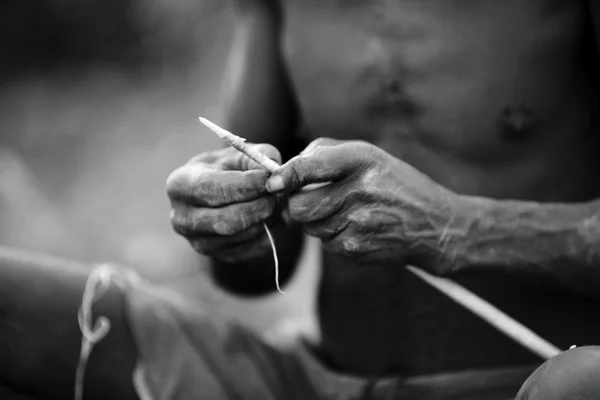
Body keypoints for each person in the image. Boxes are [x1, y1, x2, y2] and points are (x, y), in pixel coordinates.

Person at [2, 0, 600, 399]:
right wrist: (227, 219)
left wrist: (456, 229)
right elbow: (257, 275)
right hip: (316, 382)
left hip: (533, 376)